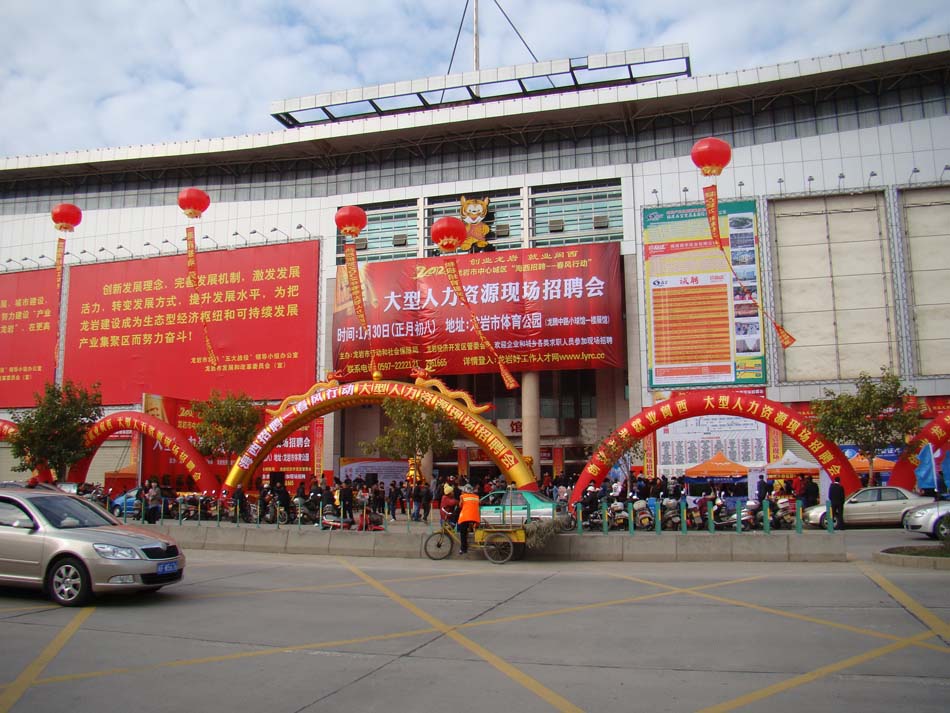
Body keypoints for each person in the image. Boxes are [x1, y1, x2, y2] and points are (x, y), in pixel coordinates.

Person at [456, 484, 480, 555]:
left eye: (463, 490)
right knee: (469, 528)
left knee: (463, 532)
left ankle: (463, 549)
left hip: (466, 517)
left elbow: (460, 506)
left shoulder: (462, 496)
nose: (462, 492)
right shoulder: (476, 497)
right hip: (475, 518)